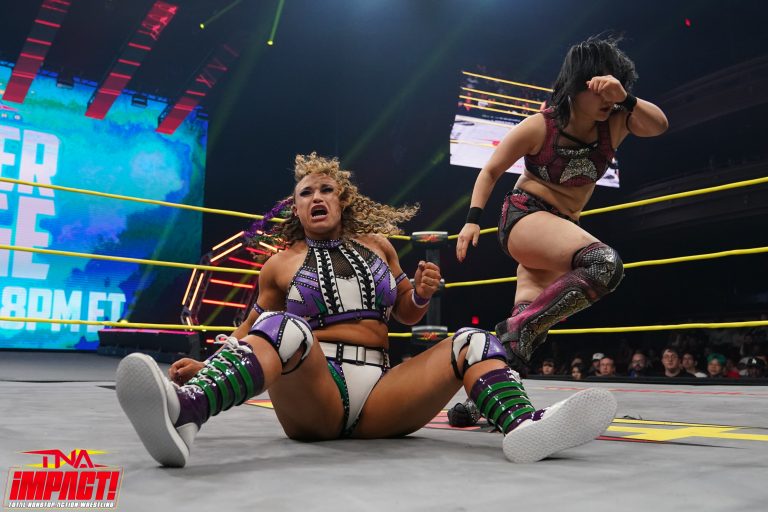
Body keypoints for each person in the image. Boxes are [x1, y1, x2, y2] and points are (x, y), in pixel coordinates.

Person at [116, 153, 617, 467]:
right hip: (315, 392)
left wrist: (420, 294)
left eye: (325, 190)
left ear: (342, 200)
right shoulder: (279, 264)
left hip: (381, 392)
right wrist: (209, 366)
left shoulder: (379, 246)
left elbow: (405, 313)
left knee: (475, 340)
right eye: (306, 193)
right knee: (282, 326)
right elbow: (253, 327)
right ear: (296, 208)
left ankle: (524, 427)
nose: (316, 197)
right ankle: (187, 410)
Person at [455, 36, 668, 368]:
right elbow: (491, 170)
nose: (607, 98)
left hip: (561, 230)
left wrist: (625, 98)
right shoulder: (541, 126)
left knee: (522, 344)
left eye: (613, 88)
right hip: (525, 217)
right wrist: (472, 220)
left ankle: (488, 380)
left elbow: (659, 126)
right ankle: (517, 329)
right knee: (604, 264)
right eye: (600, 89)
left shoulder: (615, 122)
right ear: (576, 85)